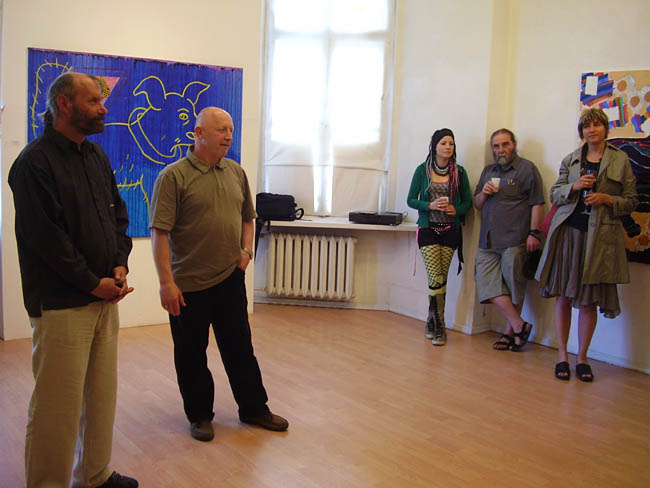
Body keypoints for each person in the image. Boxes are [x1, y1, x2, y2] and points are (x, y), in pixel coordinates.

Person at [8, 72, 137, 488]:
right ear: (64, 104)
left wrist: (119, 265)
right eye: (93, 101)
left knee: (101, 397)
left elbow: (117, 215)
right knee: (56, 407)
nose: (103, 107)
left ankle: (95, 475)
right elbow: (48, 241)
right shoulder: (33, 164)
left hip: (104, 298)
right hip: (62, 303)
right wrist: (91, 283)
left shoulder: (95, 155)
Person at [150, 107, 288, 442]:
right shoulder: (173, 177)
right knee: (191, 353)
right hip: (188, 285)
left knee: (240, 348)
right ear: (199, 133)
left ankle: (253, 408)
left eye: (230, 130)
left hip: (230, 279)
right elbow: (160, 233)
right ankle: (199, 415)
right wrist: (166, 283)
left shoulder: (236, 172)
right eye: (221, 130)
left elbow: (247, 218)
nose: (228, 136)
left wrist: (246, 252)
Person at [536, 108, 637, 382]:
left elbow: (631, 201)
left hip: (600, 240)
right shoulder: (571, 159)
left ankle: (582, 358)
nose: (591, 130)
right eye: (586, 126)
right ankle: (562, 356)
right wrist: (575, 186)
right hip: (568, 235)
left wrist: (607, 199)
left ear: (605, 128)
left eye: (596, 125)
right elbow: (555, 193)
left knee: (589, 301)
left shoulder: (620, 159)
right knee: (563, 296)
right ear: (581, 132)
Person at [474, 129, 545, 351]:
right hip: (487, 240)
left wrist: (534, 233)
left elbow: (537, 202)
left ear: (514, 144)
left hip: (515, 239)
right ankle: (519, 325)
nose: (500, 150)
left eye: (505, 144)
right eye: (496, 146)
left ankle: (510, 333)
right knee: (486, 284)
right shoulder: (488, 171)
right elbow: (477, 203)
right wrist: (484, 193)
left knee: (515, 287)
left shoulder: (527, 169)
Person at [407, 128, 472, 345]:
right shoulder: (422, 170)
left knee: (441, 279)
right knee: (435, 277)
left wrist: (456, 209)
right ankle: (440, 325)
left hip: (450, 231)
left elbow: (467, 202)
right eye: (443, 143)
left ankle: (430, 320)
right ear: (434, 146)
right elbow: (411, 200)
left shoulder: (459, 172)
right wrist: (429, 205)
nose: (447, 147)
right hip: (428, 230)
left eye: (451, 143)